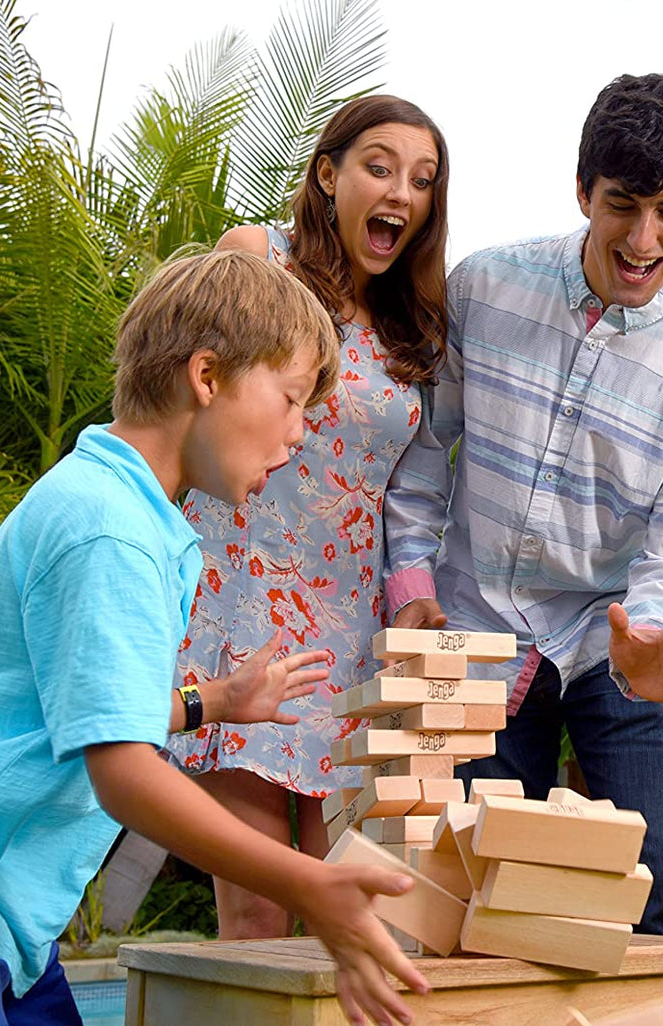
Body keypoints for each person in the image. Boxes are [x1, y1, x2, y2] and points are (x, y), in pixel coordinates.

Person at [0, 251, 430, 1026]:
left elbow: (86, 708)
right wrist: (307, 883)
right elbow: (122, 773)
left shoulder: (138, 518)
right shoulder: (109, 529)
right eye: (292, 400)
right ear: (206, 376)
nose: (299, 434)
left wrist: (215, 700)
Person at [383, 73, 663, 939]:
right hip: (469, 623)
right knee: (452, 892)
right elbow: (421, 449)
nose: (642, 239)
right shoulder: (483, 289)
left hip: (616, 641)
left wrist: (646, 636)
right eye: (622, 205)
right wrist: (409, 580)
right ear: (583, 190)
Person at [165, 94, 448, 940]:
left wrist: (414, 595)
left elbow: (412, 489)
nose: (400, 193)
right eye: (379, 168)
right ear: (328, 174)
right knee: (256, 908)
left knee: (350, 911)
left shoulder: (415, 326)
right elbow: (177, 407)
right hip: (241, 611)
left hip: (351, 636)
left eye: (422, 181)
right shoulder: (256, 257)